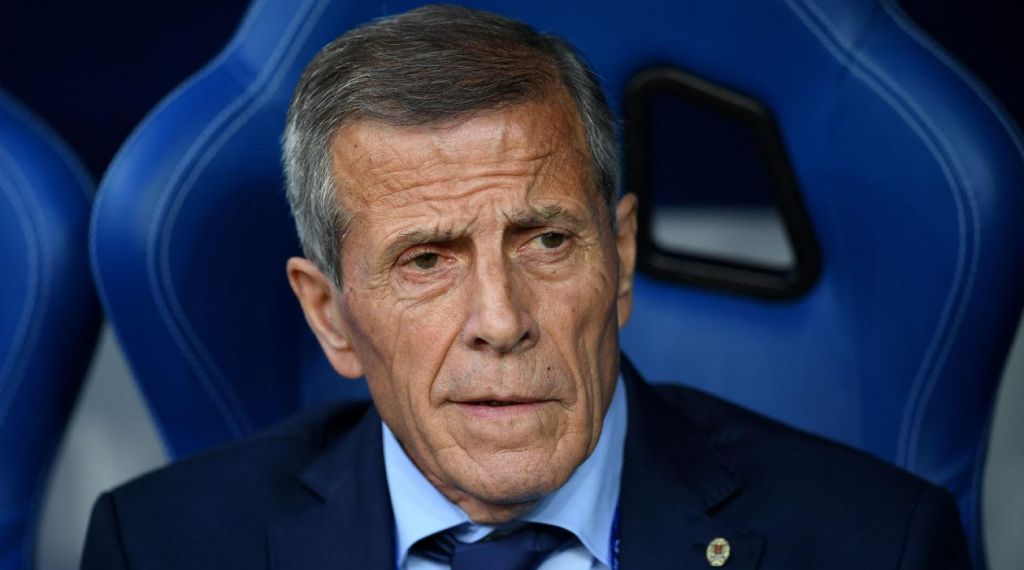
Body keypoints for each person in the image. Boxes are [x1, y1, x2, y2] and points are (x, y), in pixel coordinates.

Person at [81, 5, 971, 569]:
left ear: (620, 259)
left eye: (546, 241)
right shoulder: (155, 547)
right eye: (426, 261)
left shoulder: (878, 544)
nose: (500, 321)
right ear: (332, 316)